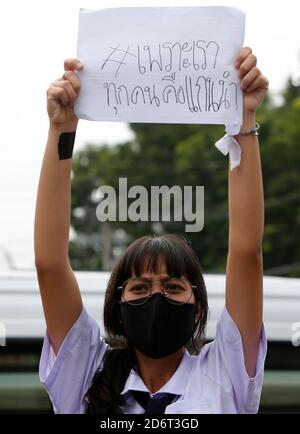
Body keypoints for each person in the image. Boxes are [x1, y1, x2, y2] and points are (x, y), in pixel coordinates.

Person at [34, 47, 269, 414]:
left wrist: (243, 122)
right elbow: (49, 264)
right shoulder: (84, 375)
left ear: (197, 309)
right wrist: (61, 128)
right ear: (117, 306)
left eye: (173, 287)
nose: (156, 297)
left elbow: (246, 251)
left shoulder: (226, 374)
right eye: (140, 287)